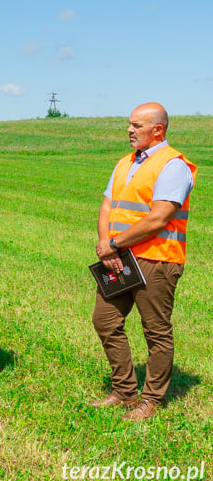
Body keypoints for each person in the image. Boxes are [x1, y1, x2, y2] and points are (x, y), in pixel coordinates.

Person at [90, 102, 196, 422]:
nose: (129, 130)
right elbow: (108, 205)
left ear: (158, 130)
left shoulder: (173, 165)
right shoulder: (125, 162)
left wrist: (113, 244)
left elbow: (159, 217)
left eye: (136, 125)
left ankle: (151, 400)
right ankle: (124, 391)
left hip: (157, 260)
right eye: (129, 124)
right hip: (119, 257)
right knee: (105, 321)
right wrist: (108, 246)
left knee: (156, 332)